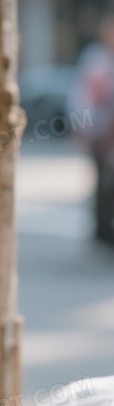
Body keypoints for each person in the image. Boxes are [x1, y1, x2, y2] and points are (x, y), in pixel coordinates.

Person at [70, 14, 114, 245]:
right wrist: (84, 127)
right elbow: (82, 96)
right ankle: (102, 228)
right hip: (101, 132)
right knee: (103, 182)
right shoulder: (95, 59)